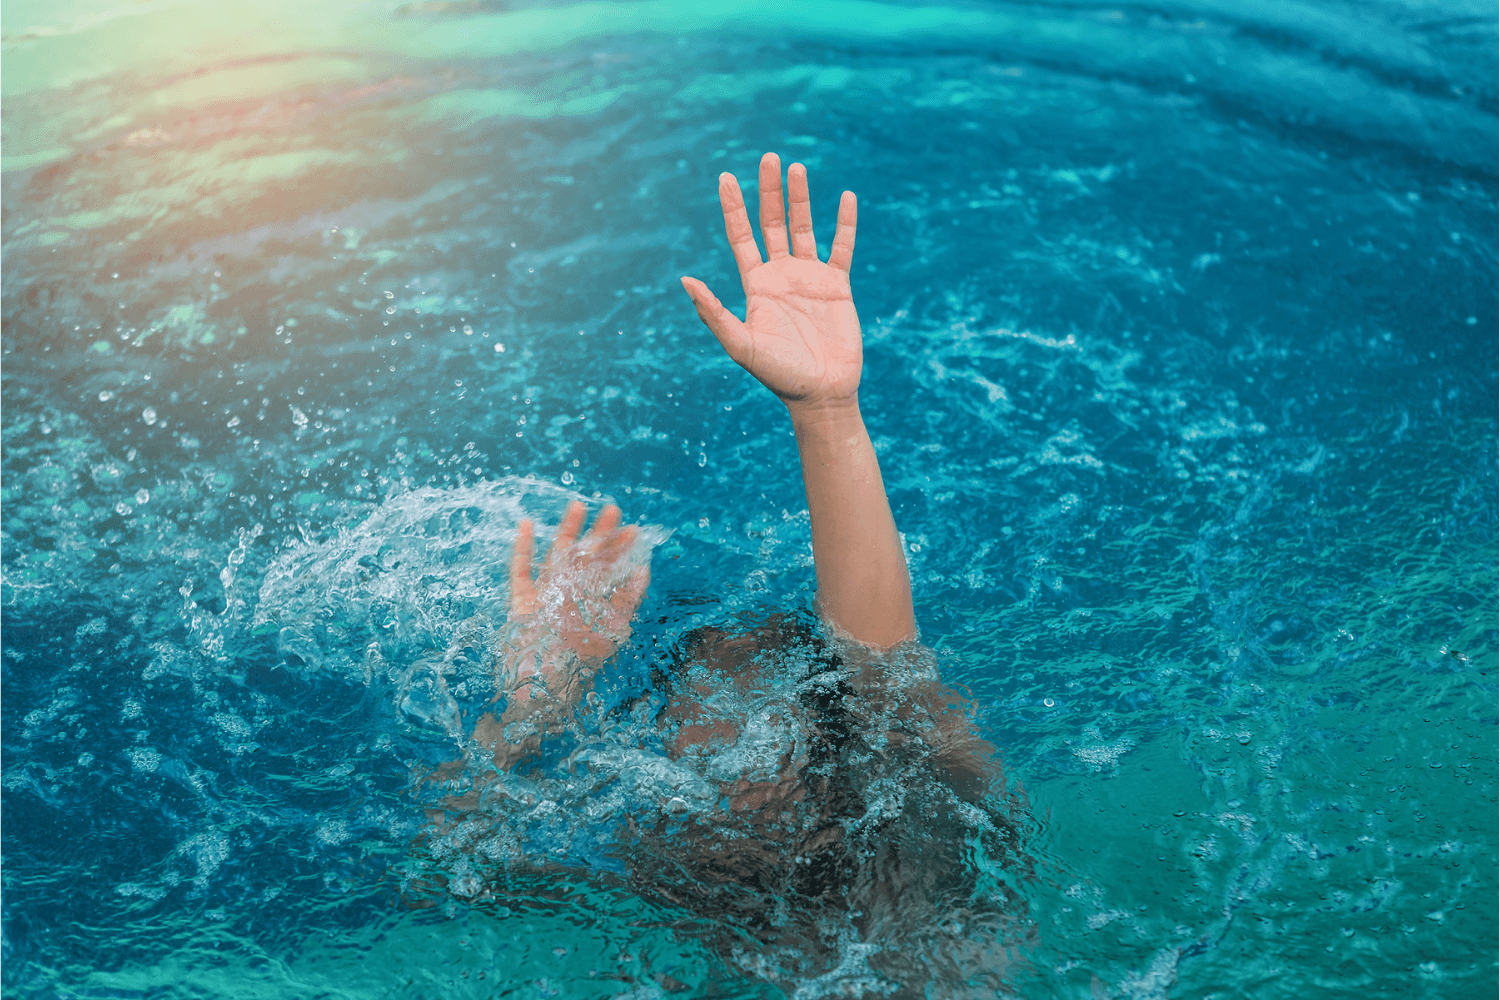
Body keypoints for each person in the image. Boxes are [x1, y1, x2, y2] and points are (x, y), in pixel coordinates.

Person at [441, 154, 1029, 994]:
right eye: (688, 725)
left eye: (746, 720)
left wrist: (827, 414)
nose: (703, 769)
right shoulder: (656, 894)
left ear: (833, 763)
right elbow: (444, 870)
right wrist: (535, 704)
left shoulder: (920, 850)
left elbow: (885, 661)